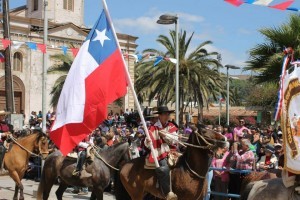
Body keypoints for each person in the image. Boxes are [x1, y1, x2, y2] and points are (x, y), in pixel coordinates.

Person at [144, 105, 178, 200]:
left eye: (168, 114)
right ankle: (167, 193)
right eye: (165, 114)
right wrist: (148, 141)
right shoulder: (153, 127)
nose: (167, 116)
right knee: (164, 168)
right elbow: (147, 142)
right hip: (160, 153)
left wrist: (166, 136)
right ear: (160, 116)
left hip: (172, 152)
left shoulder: (171, 126)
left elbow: (175, 140)